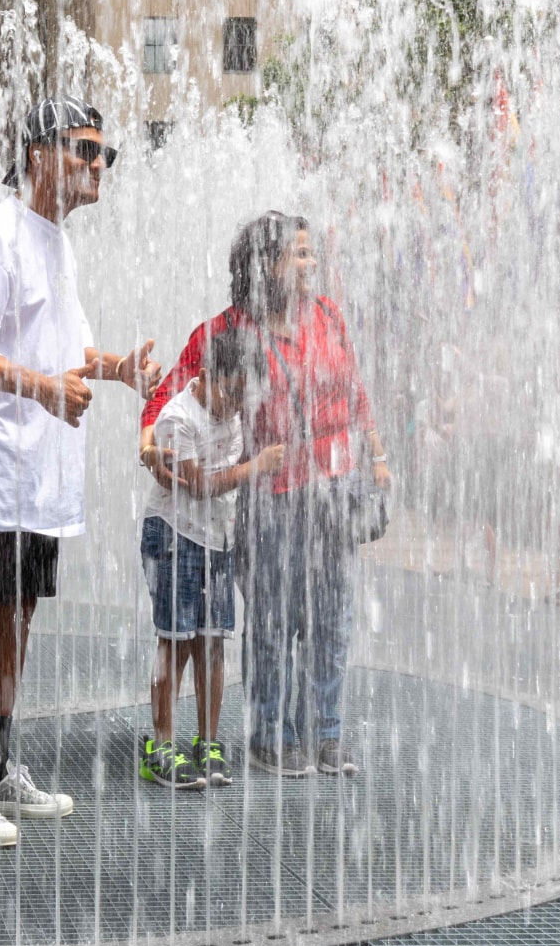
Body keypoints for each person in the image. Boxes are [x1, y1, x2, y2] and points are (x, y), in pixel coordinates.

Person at [0, 95, 160, 847]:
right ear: (36, 154)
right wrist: (44, 389)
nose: (97, 166)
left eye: (104, 155)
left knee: (15, 621)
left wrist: (116, 368)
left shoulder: (57, 244)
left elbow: (66, 347)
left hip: (37, 483)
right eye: (84, 150)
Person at [141, 211, 392, 778]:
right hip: (271, 494)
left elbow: (354, 393)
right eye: (296, 255)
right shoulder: (228, 332)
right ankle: (271, 735)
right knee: (274, 619)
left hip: (335, 488)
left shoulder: (325, 316)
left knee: (332, 615)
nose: (309, 265)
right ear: (264, 264)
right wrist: (149, 445)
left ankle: (325, 730)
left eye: (310, 254)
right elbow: (171, 394)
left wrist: (376, 459)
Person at [137, 327, 282, 789]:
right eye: (230, 392)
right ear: (204, 375)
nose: (235, 405)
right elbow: (197, 485)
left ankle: (207, 740)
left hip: (217, 541)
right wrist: (254, 468)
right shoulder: (179, 418)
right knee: (176, 641)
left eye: (244, 395)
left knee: (213, 642)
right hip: (175, 536)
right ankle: (159, 746)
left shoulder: (232, 412)